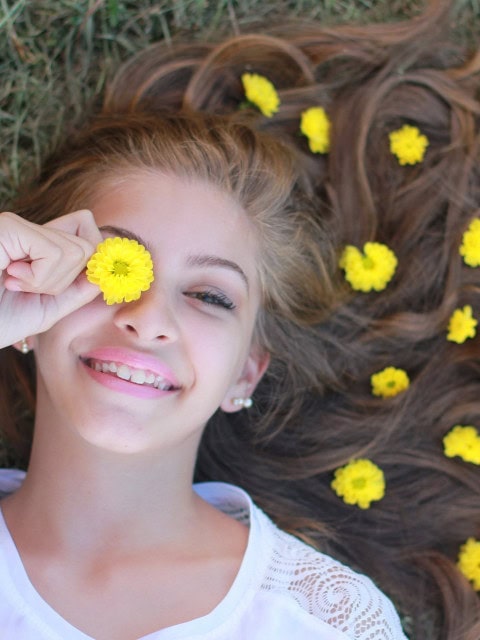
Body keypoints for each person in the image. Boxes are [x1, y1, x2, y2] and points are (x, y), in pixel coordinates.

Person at [0, 0, 478, 638]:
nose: (148, 318)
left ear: (246, 375)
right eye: (115, 265)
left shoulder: (325, 621)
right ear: (29, 301)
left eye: (211, 296)